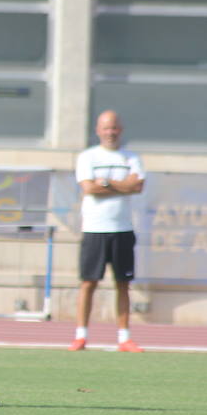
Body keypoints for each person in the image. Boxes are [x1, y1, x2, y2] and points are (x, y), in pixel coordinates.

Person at [69, 110, 145, 353]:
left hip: (122, 228)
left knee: (123, 283)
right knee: (88, 282)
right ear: (98, 130)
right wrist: (121, 186)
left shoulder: (131, 157)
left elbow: (137, 185)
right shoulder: (87, 157)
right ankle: (80, 335)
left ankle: (124, 337)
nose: (110, 132)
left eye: (114, 128)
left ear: (120, 130)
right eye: (106, 128)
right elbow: (89, 187)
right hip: (94, 228)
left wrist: (106, 183)